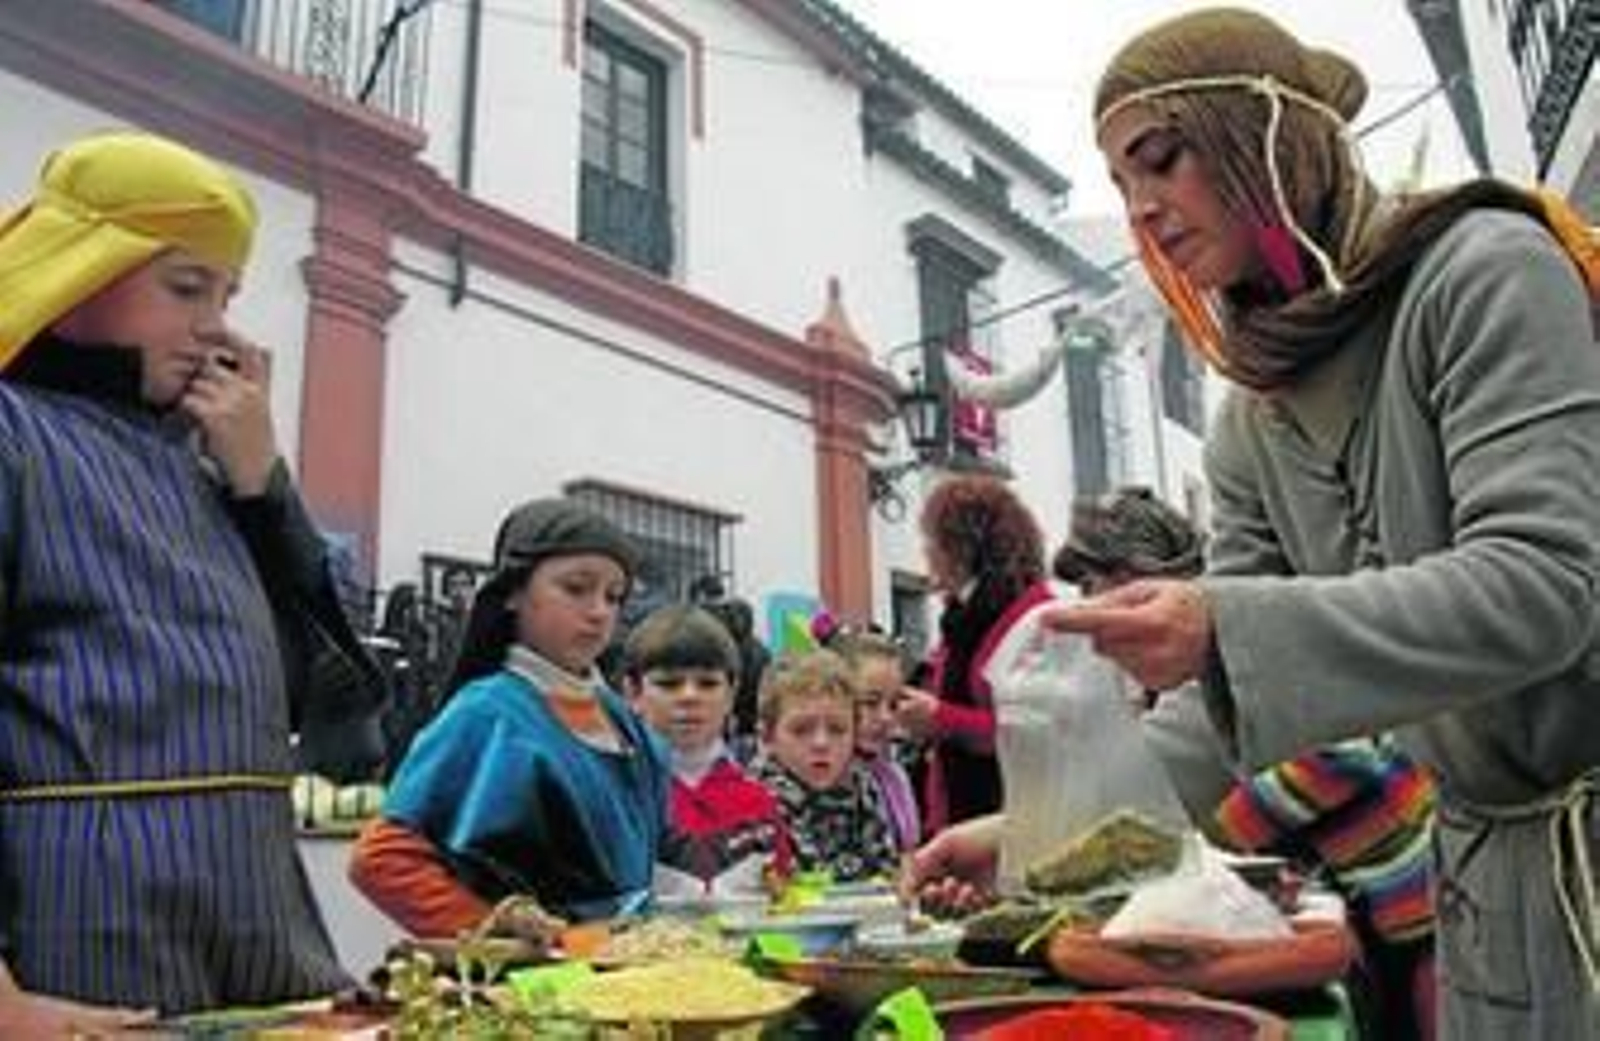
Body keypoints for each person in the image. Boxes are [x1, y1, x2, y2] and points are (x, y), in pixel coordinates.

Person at [1043, 9, 1598, 1036]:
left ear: (1263, 138)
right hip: (1477, 882)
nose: (1143, 211)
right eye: (1121, 188)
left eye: (1161, 161)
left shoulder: (1485, 269)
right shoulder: (1249, 419)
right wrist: (1038, 832)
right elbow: (1228, 699)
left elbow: (1543, 586)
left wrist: (1219, 624)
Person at [0, 131, 385, 1025]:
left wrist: (265, 490)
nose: (218, 323)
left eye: (227, 294)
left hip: (256, 927)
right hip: (80, 937)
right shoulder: (14, 436)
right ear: (78, 272)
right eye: (186, 286)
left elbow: (339, 720)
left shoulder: (209, 469)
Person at [1055, 487, 1438, 1041]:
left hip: (1413, 913)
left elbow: (1336, 761)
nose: (1088, 613)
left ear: (1138, 577)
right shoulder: (1195, 671)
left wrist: (1212, 847)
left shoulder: (1249, 651)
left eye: (1091, 587)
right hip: (1375, 915)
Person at [349, 499, 670, 937]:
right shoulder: (487, 713)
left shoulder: (621, 718)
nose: (598, 611)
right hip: (534, 990)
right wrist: (492, 927)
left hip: (630, 976)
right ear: (515, 592)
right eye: (576, 588)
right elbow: (382, 861)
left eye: (614, 597)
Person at [894, 475, 1054, 831]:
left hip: (1012, 819)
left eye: (931, 541)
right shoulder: (963, 614)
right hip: (965, 812)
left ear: (961, 548)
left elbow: (1036, 733)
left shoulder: (1032, 617)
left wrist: (941, 718)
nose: (925, 553)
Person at [621, 604, 787, 895]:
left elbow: (786, 905)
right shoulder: (619, 796)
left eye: (708, 683)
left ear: (732, 694)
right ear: (633, 693)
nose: (690, 696)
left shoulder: (759, 802)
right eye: (669, 684)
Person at [752, 650, 898, 883]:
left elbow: (886, 872)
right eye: (801, 730)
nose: (821, 743)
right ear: (767, 737)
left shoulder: (863, 786)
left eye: (837, 730)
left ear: (855, 734)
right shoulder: (756, 802)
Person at [829, 626, 922, 854]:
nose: (885, 718)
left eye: (893, 704)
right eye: (870, 703)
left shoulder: (894, 774)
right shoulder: (824, 778)